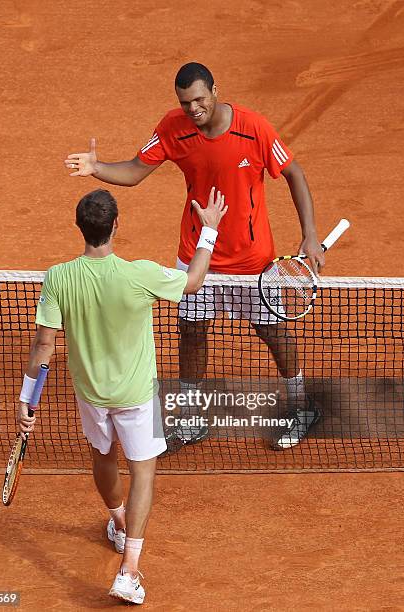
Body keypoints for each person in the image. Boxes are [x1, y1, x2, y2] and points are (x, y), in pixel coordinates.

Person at [64, 62, 325, 451]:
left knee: (272, 331)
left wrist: (310, 234)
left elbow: (295, 174)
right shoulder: (173, 127)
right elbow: (136, 171)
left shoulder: (253, 128)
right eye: (186, 102)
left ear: (215, 91)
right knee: (191, 331)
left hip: (252, 260)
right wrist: (96, 167)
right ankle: (191, 418)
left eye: (199, 99)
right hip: (197, 253)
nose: (193, 109)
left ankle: (301, 405)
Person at [16, 186, 227, 604]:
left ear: (81, 228)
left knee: (103, 457)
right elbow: (194, 281)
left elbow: (44, 346)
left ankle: (116, 522)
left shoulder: (58, 277)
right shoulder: (140, 274)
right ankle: (129, 570)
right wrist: (210, 231)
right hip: (135, 394)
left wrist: (28, 398)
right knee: (143, 471)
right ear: (115, 225)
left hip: (91, 394)